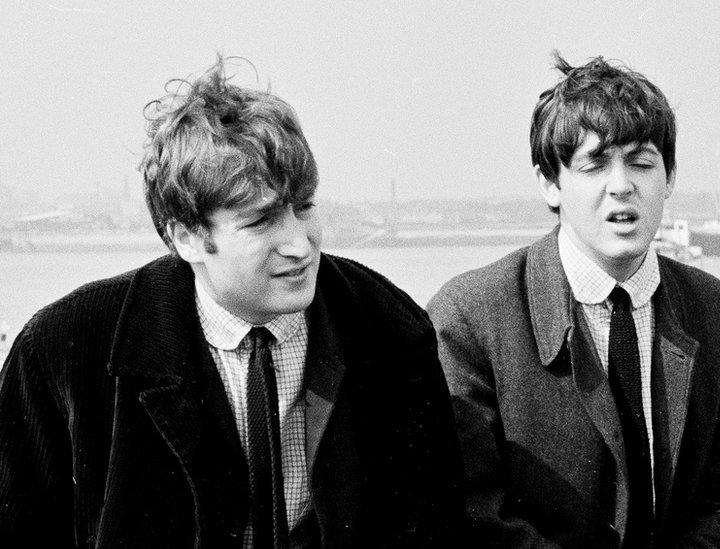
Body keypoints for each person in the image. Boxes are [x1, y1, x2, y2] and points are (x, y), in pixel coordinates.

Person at [0, 58, 463, 548]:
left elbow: (433, 528)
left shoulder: (390, 329)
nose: (300, 246)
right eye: (261, 221)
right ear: (187, 239)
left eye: (304, 208)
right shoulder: (63, 350)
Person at [427, 53, 720, 548]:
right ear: (550, 183)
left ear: (669, 178)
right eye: (595, 165)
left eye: (642, 162)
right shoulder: (470, 319)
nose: (622, 185)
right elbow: (472, 514)